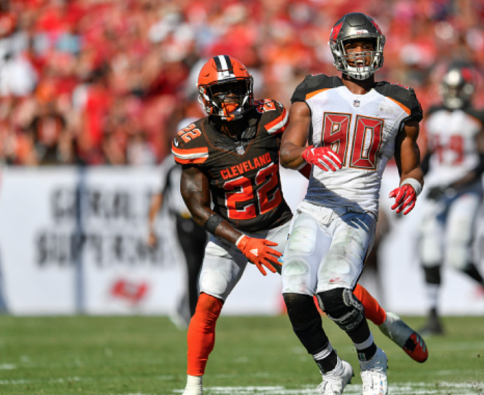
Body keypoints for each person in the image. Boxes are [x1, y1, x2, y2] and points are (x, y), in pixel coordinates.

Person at [173, 55, 428, 395]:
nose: (230, 98)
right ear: (205, 96)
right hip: (230, 232)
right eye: (221, 92)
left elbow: (296, 156)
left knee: (334, 289)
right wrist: (242, 242)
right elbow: (198, 209)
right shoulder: (194, 141)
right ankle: (193, 387)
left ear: (248, 89)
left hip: (279, 225)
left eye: (235, 89)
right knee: (206, 304)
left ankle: (387, 323)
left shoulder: (270, 117)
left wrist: (329, 182)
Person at [279, 13, 424, 395]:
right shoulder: (313, 91)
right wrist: (308, 152)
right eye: (351, 46)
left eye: (365, 46)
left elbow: (413, 166)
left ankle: (370, 356)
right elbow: (287, 152)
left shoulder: (400, 102)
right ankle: (332, 369)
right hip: (316, 207)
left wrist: (412, 184)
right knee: (295, 293)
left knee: (334, 293)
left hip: (358, 212)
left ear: (378, 50)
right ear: (337, 51)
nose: (359, 54)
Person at [418, 66, 484, 335]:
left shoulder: (478, 117)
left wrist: (451, 185)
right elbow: (430, 155)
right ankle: (433, 316)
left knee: (458, 257)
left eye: (458, 89)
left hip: (467, 190)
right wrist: (415, 184)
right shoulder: (433, 114)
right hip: (440, 188)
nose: (453, 94)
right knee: (429, 250)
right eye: (450, 88)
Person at [147, 118, 209, 329]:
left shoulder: (207, 160)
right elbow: (158, 196)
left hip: (204, 220)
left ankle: (188, 308)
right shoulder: (170, 164)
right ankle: (192, 315)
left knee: (203, 269)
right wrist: (151, 227)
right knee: (191, 268)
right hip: (183, 221)